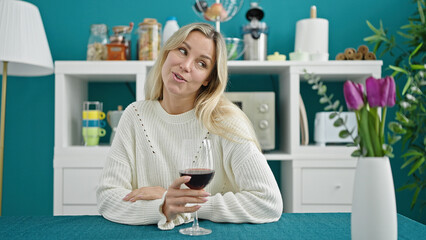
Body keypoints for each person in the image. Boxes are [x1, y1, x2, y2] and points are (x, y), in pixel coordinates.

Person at [96, 22, 283, 230]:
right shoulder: (135, 115)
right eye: (182, 51)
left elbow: (268, 202)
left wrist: (182, 203)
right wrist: (164, 206)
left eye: (201, 64)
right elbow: (108, 198)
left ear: (207, 80)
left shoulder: (225, 122)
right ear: (167, 52)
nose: (186, 65)